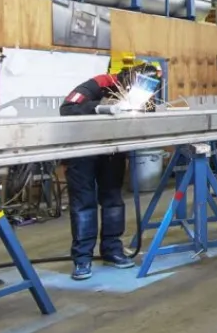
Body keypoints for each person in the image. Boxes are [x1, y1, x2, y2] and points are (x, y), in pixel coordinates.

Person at [59, 60, 161, 281]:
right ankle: (82, 258)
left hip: (112, 150)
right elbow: (67, 108)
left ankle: (112, 251)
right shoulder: (100, 83)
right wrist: (101, 108)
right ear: (127, 79)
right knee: (84, 204)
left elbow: (147, 113)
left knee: (113, 200)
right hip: (82, 150)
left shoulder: (144, 93)